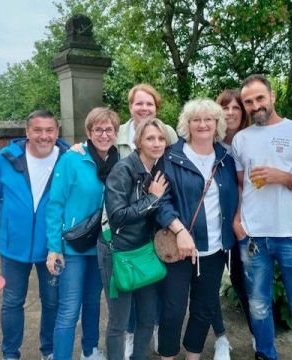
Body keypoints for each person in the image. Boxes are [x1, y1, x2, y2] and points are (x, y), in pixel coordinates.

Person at [232, 74, 292, 360]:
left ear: (272, 97)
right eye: (248, 102)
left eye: (259, 98)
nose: (255, 106)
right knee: (257, 305)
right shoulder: (241, 139)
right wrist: (237, 221)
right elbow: (240, 186)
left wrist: (280, 176)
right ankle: (265, 354)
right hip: (254, 236)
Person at [0, 110, 70, 360]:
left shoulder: (68, 158)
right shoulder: (6, 158)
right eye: (38, 130)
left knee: (52, 302)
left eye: (49, 130)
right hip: (13, 245)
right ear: (27, 132)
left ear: (57, 132)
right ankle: (10, 353)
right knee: (12, 302)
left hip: (52, 246)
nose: (44, 136)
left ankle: (48, 350)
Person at [156, 99, 238, 360]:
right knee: (173, 310)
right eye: (196, 120)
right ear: (187, 125)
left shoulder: (226, 158)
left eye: (208, 120)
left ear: (217, 124)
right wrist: (180, 231)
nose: (202, 124)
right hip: (180, 249)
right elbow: (160, 201)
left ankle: (193, 355)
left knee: (203, 309)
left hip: (214, 249)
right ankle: (168, 355)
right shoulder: (170, 156)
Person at [46, 108, 120, 360]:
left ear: (116, 133)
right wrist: (54, 247)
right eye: (97, 129)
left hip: (101, 245)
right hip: (73, 247)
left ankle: (90, 351)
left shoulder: (118, 162)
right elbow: (55, 203)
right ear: (88, 132)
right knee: (69, 308)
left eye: (109, 129)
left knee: (92, 303)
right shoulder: (72, 159)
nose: (103, 134)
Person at [100, 118, 170, 360]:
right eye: (150, 138)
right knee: (119, 323)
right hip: (118, 252)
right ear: (138, 141)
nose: (157, 143)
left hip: (144, 251)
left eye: (161, 138)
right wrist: (152, 199)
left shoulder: (158, 169)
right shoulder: (124, 169)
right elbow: (117, 216)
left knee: (148, 318)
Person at [211, 90, 252, 359]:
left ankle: (257, 333)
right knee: (209, 283)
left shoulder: (251, 142)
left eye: (236, 107)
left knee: (244, 281)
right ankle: (221, 337)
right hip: (214, 226)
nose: (231, 112)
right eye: (225, 108)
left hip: (247, 226)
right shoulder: (206, 143)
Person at [117, 83, 177, 159]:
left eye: (149, 104)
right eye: (139, 104)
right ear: (130, 107)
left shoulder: (168, 132)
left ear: (156, 109)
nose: (144, 108)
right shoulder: (117, 133)